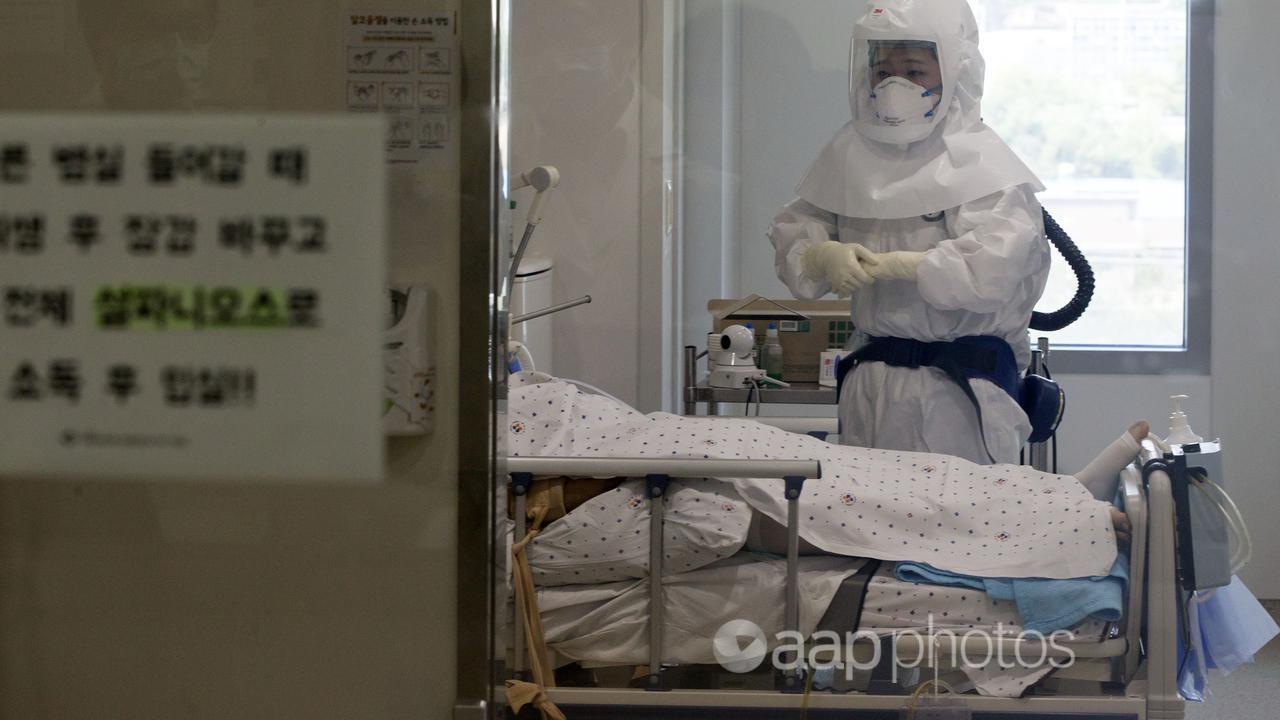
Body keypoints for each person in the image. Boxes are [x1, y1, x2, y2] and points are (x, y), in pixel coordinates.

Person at [768, 0, 1049, 464]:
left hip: (958, 392)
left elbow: (996, 267)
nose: (894, 86)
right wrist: (819, 255)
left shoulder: (980, 165)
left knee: (952, 527)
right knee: (867, 525)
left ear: (955, 72)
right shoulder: (847, 155)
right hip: (869, 382)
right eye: (883, 70)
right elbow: (795, 233)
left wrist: (910, 266)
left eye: (915, 71)